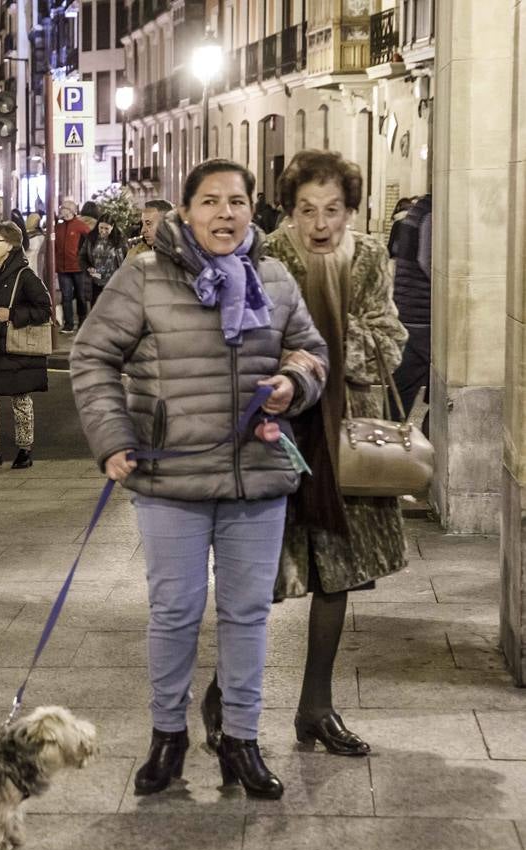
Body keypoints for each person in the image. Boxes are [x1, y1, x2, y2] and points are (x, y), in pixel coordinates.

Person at [70, 158, 328, 800]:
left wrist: (291, 383)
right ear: (185, 212)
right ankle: (169, 738)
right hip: (172, 479)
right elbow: (91, 354)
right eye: (210, 201)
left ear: (251, 210)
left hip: (257, 477)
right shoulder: (144, 277)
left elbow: (312, 352)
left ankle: (240, 739)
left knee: (247, 615)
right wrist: (113, 440)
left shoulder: (275, 279)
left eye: (236, 202)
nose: (225, 214)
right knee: (175, 611)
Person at [246, 150, 409, 757]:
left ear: (350, 209)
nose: (321, 223)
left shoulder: (369, 256)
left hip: (348, 432)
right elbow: (246, 343)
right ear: (288, 211)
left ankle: (316, 707)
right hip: (277, 433)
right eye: (307, 210)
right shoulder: (265, 259)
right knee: (256, 575)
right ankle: (224, 698)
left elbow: (390, 339)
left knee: (336, 575)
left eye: (333, 210)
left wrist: (329, 342)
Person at [0, 222, 50, 469]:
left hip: (15, 347)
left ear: (11, 245)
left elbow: (44, 309)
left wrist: (12, 313)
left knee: (20, 398)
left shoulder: (25, 276)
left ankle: (25, 449)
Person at [388, 193, 431, 424]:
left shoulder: (415, 212)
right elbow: (427, 260)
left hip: (410, 309)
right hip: (423, 311)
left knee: (404, 386)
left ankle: (387, 431)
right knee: (409, 383)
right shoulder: (431, 212)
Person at [54, 199, 92, 332]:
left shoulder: (80, 226)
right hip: (62, 268)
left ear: (70, 210)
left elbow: (91, 241)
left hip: (77, 267)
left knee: (81, 296)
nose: (60, 210)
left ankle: (82, 322)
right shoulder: (58, 227)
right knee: (66, 297)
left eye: (63, 208)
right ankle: (69, 325)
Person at [78, 214, 127, 305]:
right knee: (96, 310)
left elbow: (127, 259)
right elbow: (82, 257)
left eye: (106, 229)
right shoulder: (91, 238)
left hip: (114, 282)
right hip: (96, 281)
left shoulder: (120, 239)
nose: (103, 231)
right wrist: (88, 268)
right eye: (101, 228)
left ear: (112, 227)